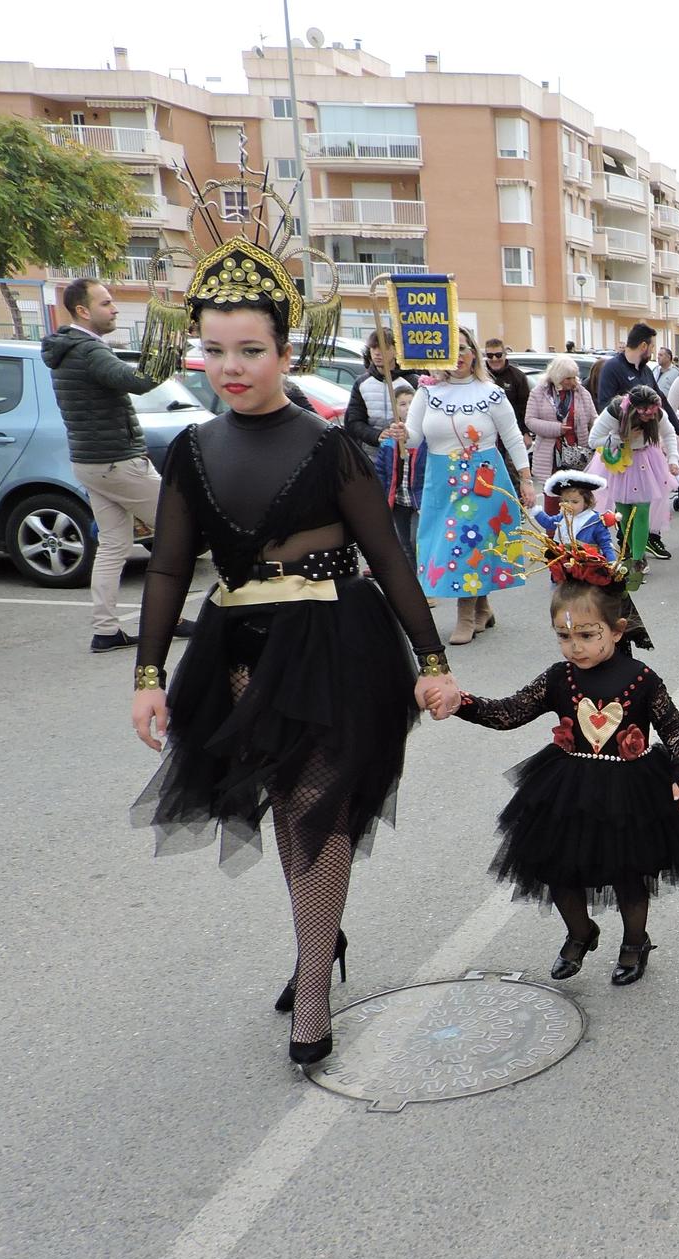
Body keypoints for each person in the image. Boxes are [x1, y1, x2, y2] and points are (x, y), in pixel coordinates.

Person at [126, 237, 457, 1068]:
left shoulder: (327, 443)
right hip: (239, 648)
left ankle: (314, 982)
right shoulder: (193, 451)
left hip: (334, 646)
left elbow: (387, 555)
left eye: (251, 351)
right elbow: (168, 566)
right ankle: (323, 935)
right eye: (214, 350)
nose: (230, 368)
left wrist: (434, 662)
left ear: (284, 350)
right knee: (286, 806)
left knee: (317, 811)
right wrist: (148, 674)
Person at [452, 524, 679, 986]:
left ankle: (634, 942)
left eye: (587, 635)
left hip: (631, 789)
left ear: (617, 628)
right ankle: (581, 930)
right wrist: (462, 703)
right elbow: (510, 712)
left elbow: (673, 725)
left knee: (630, 871)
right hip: (567, 787)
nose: (576, 647)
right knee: (557, 866)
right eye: (564, 637)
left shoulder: (641, 678)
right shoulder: (557, 678)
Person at [43, 278, 182, 655]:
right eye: (106, 303)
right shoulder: (88, 350)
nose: (115, 308)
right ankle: (170, 615)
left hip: (89, 462)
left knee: (114, 545)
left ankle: (106, 630)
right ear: (83, 311)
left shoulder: (66, 349)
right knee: (177, 530)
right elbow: (136, 381)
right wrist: (171, 354)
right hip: (118, 462)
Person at [407, 326, 536, 646]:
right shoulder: (426, 393)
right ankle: (483, 607)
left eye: (464, 349)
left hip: (483, 479)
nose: (459, 356)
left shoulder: (490, 392)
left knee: (467, 544)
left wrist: (526, 478)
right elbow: (412, 437)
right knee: (448, 545)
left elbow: (513, 438)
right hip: (441, 481)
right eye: (451, 350)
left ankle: (465, 615)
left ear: (474, 354)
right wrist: (397, 434)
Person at [592, 385, 679, 571]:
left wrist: (673, 458)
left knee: (641, 509)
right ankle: (631, 551)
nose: (650, 418)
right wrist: (621, 438)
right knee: (624, 512)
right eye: (645, 415)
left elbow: (669, 434)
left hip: (646, 460)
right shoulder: (615, 412)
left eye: (652, 414)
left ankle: (639, 559)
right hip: (621, 460)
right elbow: (594, 440)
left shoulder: (658, 414)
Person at [590, 321, 679, 434]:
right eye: (652, 347)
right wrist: (631, 423)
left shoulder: (646, 371)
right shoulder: (612, 368)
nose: (653, 352)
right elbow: (605, 406)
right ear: (644, 346)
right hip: (622, 442)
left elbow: (662, 401)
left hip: (646, 440)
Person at [343, 327, 414, 467]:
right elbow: (353, 422)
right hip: (372, 458)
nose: (377, 353)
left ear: (395, 350)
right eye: (373, 348)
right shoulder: (361, 383)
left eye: (383, 348)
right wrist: (376, 435)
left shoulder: (413, 381)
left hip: (406, 458)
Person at [525, 355, 598, 487]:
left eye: (574, 377)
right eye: (568, 378)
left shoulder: (582, 393)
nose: (573, 382)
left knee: (576, 495)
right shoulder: (539, 393)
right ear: (558, 377)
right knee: (553, 495)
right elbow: (530, 421)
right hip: (550, 455)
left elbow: (594, 419)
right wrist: (557, 428)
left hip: (577, 453)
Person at [375, 386, 421, 565]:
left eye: (412, 403)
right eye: (402, 404)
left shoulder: (423, 437)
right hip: (399, 500)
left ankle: (423, 582)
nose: (408, 407)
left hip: (418, 500)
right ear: (395, 408)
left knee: (414, 540)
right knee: (404, 544)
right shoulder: (389, 440)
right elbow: (381, 471)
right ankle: (413, 585)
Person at [534, 468, 609, 547]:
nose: (569, 505)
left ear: (586, 502)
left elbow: (606, 544)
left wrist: (611, 559)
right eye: (566, 501)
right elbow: (548, 523)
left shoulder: (595, 521)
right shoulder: (564, 516)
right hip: (563, 556)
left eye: (575, 502)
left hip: (587, 558)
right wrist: (535, 510)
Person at [481, 338, 533, 437]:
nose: (494, 359)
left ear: (505, 355)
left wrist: (526, 433)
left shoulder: (518, 377)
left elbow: (525, 407)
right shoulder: (479, 376)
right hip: (484, 434)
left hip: (511, 433)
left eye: (498, 355)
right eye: (490, 356)